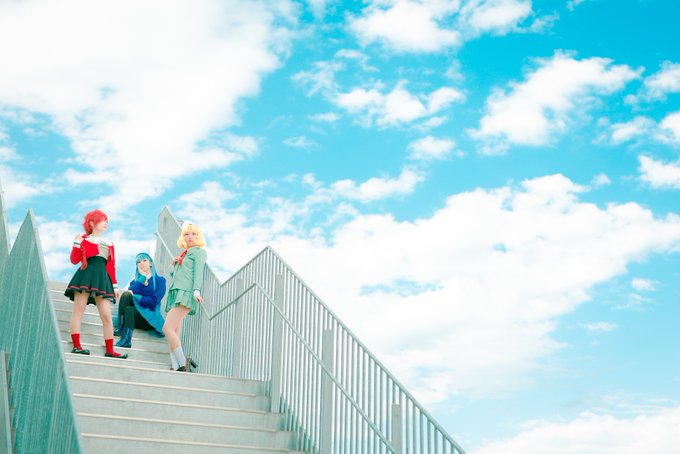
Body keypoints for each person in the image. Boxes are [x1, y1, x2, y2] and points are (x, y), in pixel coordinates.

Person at [64, 209, 127, 359]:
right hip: (86, 275)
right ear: (92, 223)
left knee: (106, 316)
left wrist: (115, 285)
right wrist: (76, 243)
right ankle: (76, 346)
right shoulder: (83, 239)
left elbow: (111, 266)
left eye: (106, 221)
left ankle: (110, 350)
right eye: (102, 220)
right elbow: (74, 260)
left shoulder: (110, 243)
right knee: (78, 311)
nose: (106, 223)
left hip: (102, 278)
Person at [162, 222, 206, 372]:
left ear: (198, 236)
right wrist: (173, 264)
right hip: (176, 293)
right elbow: (176, 275)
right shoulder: (184, 254)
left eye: (193, 234)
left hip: (186, 293)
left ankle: (182, 362)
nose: (190, 237)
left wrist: (196, 291)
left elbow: (198, 272)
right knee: (174, 331)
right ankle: (175, 365)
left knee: (167, 328)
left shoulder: (199, 252)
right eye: (186, 234)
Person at [114, 252, 166, 348]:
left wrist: (137, 297)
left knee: (129, 309)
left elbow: (154, 301)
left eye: (144, 260)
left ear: (150, 263)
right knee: (126, 295)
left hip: (149, 317)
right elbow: (131, 292)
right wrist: (142, 277)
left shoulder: (160, 281)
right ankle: (121, 326)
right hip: (135, 316)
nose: (141, 263)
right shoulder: (135, 282)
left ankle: (126, 340)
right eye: (138, 262)